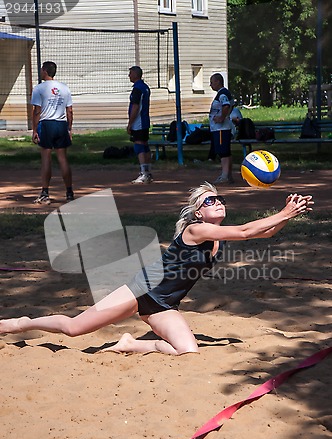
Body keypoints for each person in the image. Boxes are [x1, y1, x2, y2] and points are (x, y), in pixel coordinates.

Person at [0, 182, 313, 355]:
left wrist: (290, 214)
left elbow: (265, 232)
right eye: (208, 201)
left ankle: (131, 343)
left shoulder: (216, 235)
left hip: (164, 304)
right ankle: (20, 323)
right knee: (74, 328)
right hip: (141, 290)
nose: (216, 202)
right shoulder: (195, 230)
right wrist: (283, 210)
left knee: (188, 352)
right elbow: (246, 231)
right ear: (199, 214)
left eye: (218, 198)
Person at [31, 61, 74, 205]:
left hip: (47, 124)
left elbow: (37, 111)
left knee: (46, 158)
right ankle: (69, 192)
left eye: (41, 70)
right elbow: (70, 111)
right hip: (61, 125)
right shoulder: (64, 88)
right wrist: (69, 128)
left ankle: (45, 193)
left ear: (44, 71)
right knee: (63, 159)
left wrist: (35, 130)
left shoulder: (39, 88)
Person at [127, 66, 153, 184]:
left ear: (136, 74)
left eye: (130, 73)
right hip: (145, 120)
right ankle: (147, 172)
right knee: (145, 145)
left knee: (139, 145)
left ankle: (143, 174)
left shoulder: (137, 88)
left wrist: (130, 123)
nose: (129, 76)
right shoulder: (145, 87)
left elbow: (136, 107)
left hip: (139, 122)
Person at [209, 73, 234, 184]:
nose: (210, 85)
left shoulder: (223, 94)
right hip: (220, 128)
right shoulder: (222, 93)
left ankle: (224, 176)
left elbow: (226, 105)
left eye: (212, 82)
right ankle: (228, 175)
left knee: (223, 153)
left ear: (218, 81)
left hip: (221, 129)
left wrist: (222, 117)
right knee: (226, 152)